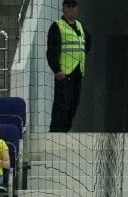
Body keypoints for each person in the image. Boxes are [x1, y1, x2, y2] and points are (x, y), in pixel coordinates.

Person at [46, 0, 89, 134]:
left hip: (77, 72)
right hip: (64, 73)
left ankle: (65, 129)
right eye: (68, 6)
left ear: (77, 8)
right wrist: (57, 70)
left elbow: (87, 44)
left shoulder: (80, 26)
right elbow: (52, 50)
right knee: (61, 104)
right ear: (63, 8)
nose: (71, 9)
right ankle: (56, 132)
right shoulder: (57, 26)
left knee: (74, 103)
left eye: (73, 6)